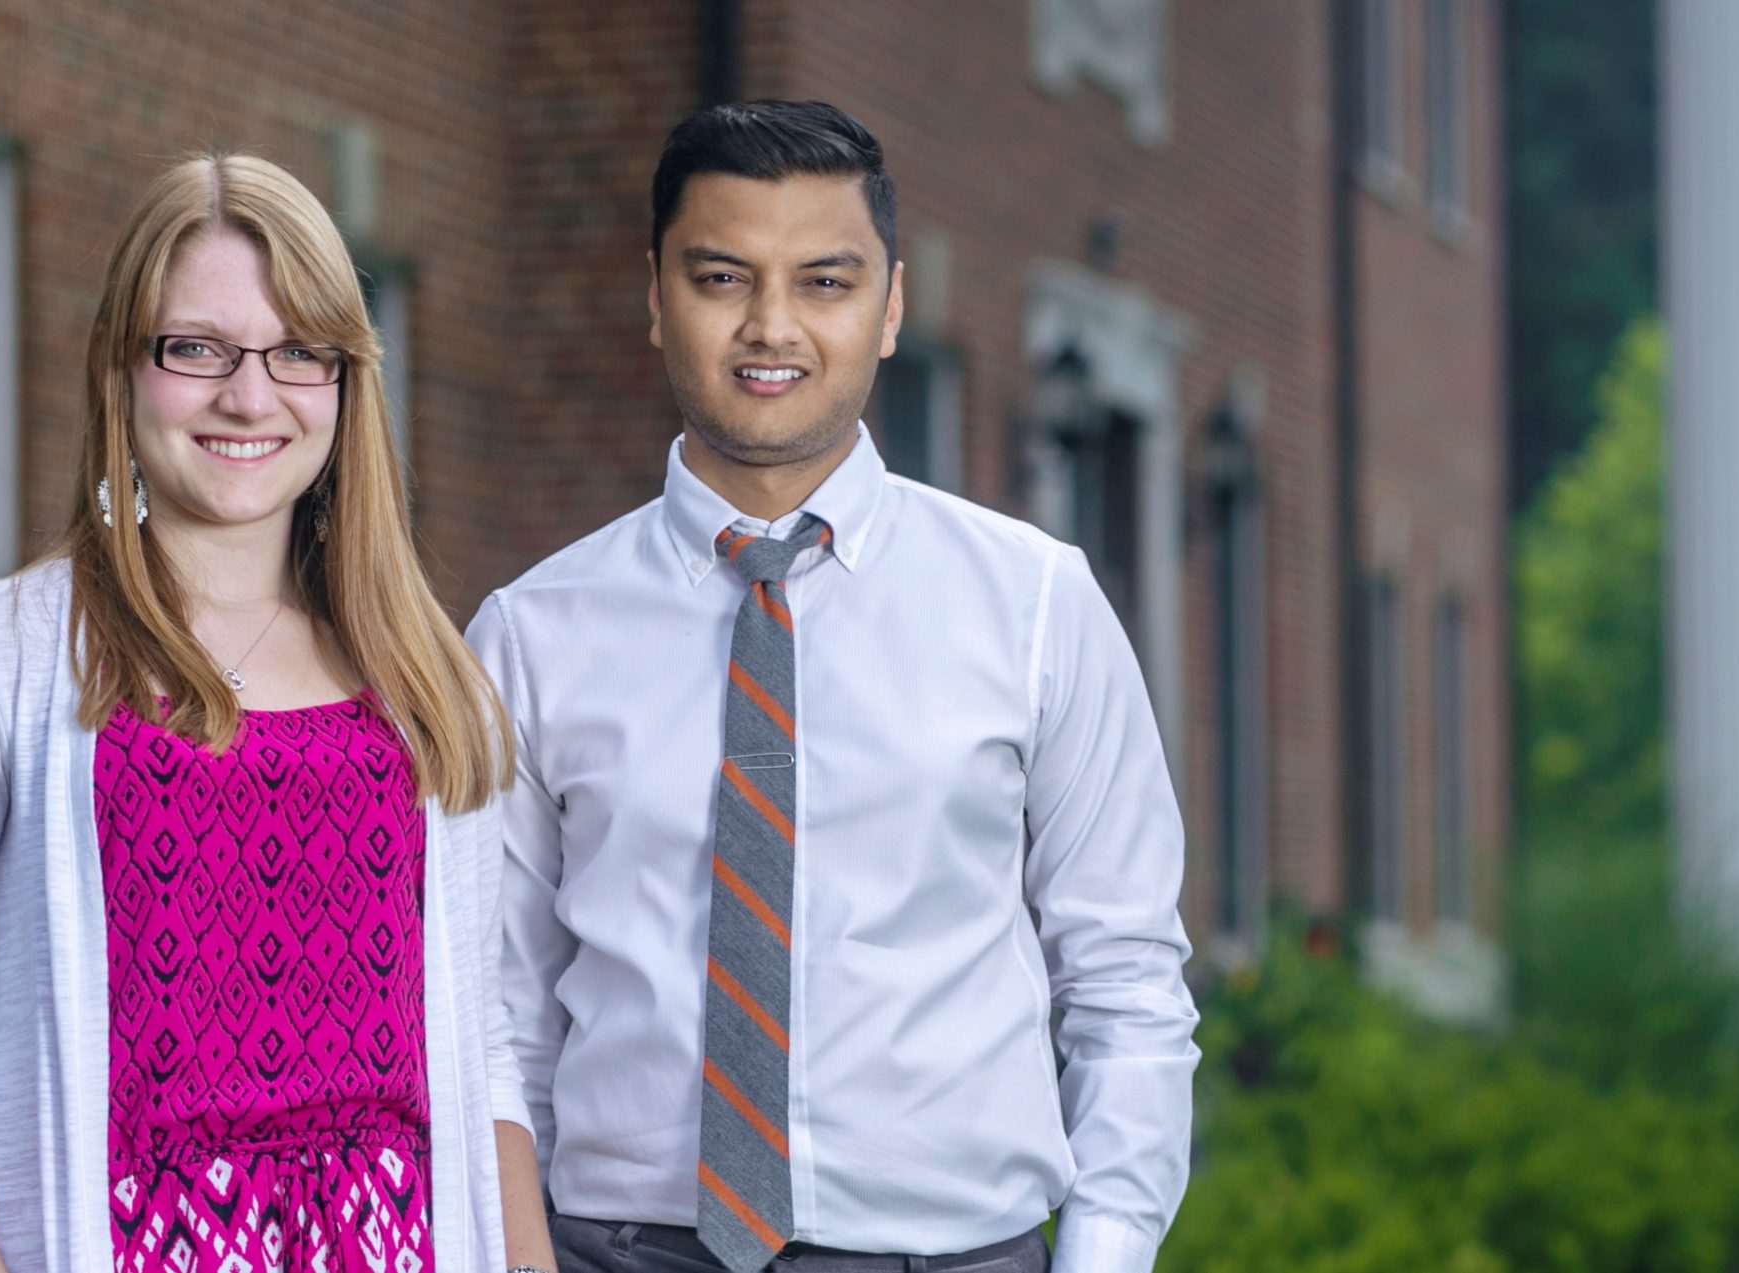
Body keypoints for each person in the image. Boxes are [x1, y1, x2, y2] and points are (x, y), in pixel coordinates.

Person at [466, 101, 1199, 1273]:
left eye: (824, 281)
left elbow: (1123, 979)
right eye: (721, 277)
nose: (772, 326)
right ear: (655, 300)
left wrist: (1102, 1253)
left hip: (953, 1252)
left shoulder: (1036, 607)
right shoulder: (528, 637)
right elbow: (492, 1017)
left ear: (890, 305)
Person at [0, 153, 555, 1273]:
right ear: (122, 371)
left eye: (298, 351)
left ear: (346, 385)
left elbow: (483, 1054)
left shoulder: (428, 680)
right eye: (196, 348)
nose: (249, 395)